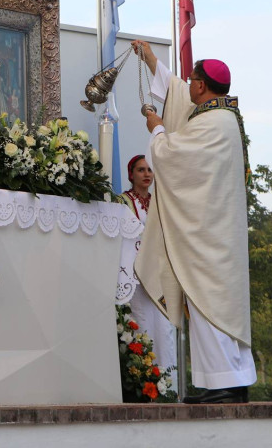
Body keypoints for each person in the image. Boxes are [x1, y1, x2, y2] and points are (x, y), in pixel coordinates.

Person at [131, 40, 256, 404]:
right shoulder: (219, 115)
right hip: (216, 235)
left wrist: (156, 128)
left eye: (192, 80)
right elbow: (176, 92)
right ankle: (231, 381)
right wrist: (152, 59)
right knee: (217, 305)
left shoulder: (212, 124)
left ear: (202, 85)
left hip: (207, 239)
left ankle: (223, 386)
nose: (187, 85)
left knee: (207, 303)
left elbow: (170, 156)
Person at [116, 155, 176, 380]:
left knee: (164, 327)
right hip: (136, 274)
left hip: (159, 274)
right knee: (141, 323)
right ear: (131, 174)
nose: (147, 174)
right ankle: (144, 380)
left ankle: (166, 383)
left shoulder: (160, 202)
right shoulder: (122, 202)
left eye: (150, 170)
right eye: (141, 170)